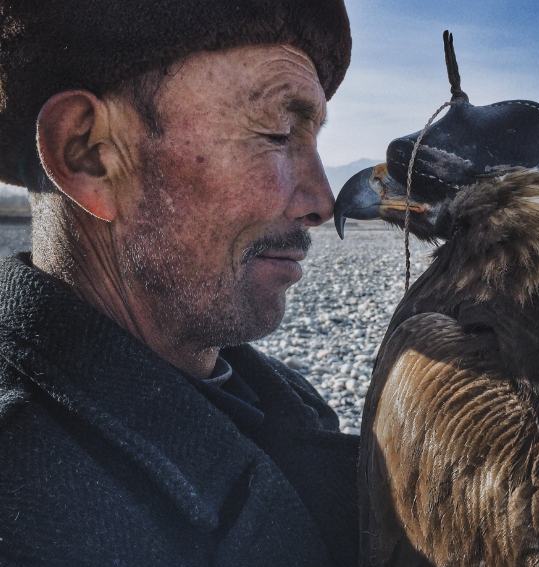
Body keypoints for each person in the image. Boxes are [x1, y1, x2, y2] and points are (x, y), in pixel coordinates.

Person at [0, 1, 358, 565]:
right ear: (90, 155)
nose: (321, 201)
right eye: (276, 132)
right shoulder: (26, 502)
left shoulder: (279, 396)